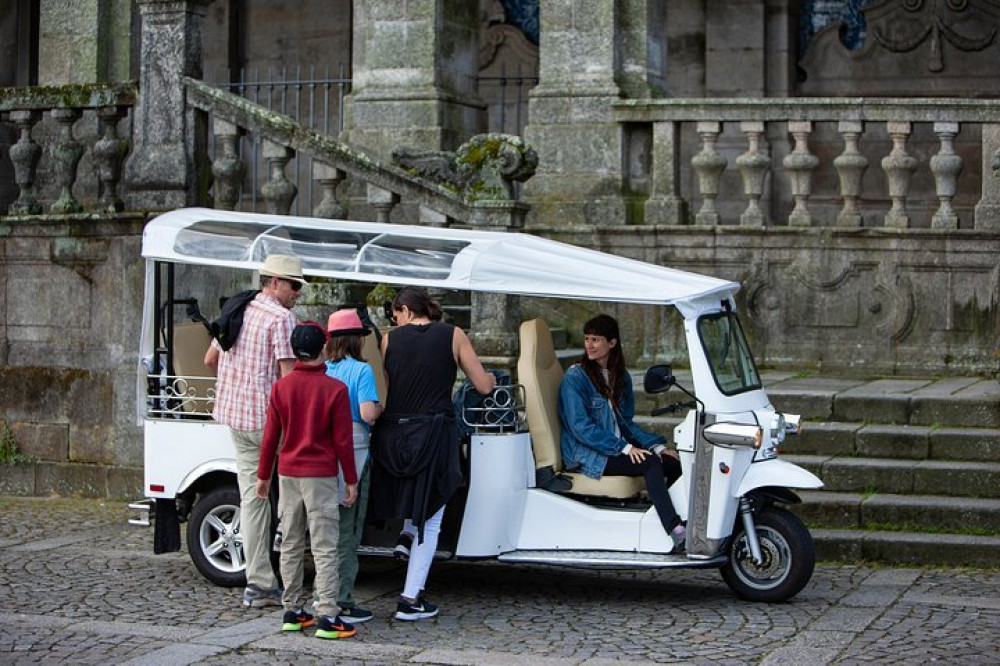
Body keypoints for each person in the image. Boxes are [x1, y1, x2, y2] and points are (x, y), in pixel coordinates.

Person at [370, 287, 496, 621]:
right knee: (433, 515)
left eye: (395, 313)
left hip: (395, 435)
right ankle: (410, 598)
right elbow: (483, 386)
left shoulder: (388, 340)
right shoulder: (454, 335)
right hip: (434, 433)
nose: (394, 320)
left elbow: (385, 386)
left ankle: (406, 534)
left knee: (415, 498)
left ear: (407, 311)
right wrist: (492, 378)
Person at [204, 253, 305, 608]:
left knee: (254, 498)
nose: (298, 293)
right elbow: (289, 378)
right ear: (274, 281)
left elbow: (210, 359)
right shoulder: (281, 319)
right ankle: (294, 576)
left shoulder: (238, 307)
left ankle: (259, 582)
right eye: (294, 285)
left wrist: (237, 382)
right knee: (293, 493)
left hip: (235, 416)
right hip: (270, 422)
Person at [255, 322, 359, 640]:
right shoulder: (335, 389)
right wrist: (351, 480)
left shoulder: (281, 388)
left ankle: (292, 610)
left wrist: (262, 476)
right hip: (321, 476)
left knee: (290, 542)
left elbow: (271, 438)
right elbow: (343, 441)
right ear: (324, 348)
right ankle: (327, 615)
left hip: (288, 473)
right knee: (325, 545)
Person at [558, 314, 686, 551]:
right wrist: (624, 448)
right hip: (587, 454)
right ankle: (675, 530)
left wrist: (656, 446)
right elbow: (581, 428)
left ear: (612, 343)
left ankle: (681, 518)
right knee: (649, 464)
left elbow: (626, 423)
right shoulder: (575, 378)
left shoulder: (621, 377)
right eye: (587, 339)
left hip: (615, 448)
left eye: (595, 340)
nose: (589, 345)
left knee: (675, 462)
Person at [324, 308, 383, 624]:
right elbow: (367, 413)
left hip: (322, 456)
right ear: (356, 340)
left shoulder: (321, 369)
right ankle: (343, 598)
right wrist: (378, 406)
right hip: (355, 453)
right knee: (348, 529)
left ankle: (323, 595)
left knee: (324, 530)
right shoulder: (362, 371)